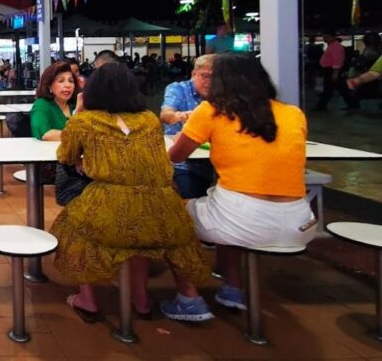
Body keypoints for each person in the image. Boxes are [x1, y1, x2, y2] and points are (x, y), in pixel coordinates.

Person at [52, 63, 212, 323]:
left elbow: (65, 156)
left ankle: (88, 299)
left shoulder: (85, 121)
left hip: (110, 200)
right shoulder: (149, 119)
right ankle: (141, 299)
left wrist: (80, 118)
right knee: (140, 240)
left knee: (73, 229)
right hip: (161, 205)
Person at [169, 53, 315, 313]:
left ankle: (188, 299)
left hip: (241, 217)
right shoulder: (294, 113)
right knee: (221, 207)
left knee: (171, 216)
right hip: (300, 222)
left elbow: (175, 156)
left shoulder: (211, 110)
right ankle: (232, 289)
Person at [160, 54, 216, 199]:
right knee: (191, 195)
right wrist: (181, 116)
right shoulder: (178, 89)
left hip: (219, 160)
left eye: (215, 77)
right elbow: (166, 115)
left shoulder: (222, 92)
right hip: (184, 162)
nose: (210, 82)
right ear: (193, 74)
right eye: (205, 76)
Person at [30, 61, 76, 141]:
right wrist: (78, 137)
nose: (68, 85)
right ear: (49, 86)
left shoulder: (75, 104)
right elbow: (45, 134)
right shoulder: (41, 105)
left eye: (71, 81)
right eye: (61, 81)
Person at [315, 30, 357, 111]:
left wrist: (335, 73)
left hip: (332, 70)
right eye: (324, 37)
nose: (325, 39)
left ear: (332, 37)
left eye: (326, 37)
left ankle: (321, 106)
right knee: (340, 89)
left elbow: (337, 60)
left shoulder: (335, 46)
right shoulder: (331, 45)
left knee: (330, 89)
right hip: (331, 70)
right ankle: (353, 104)